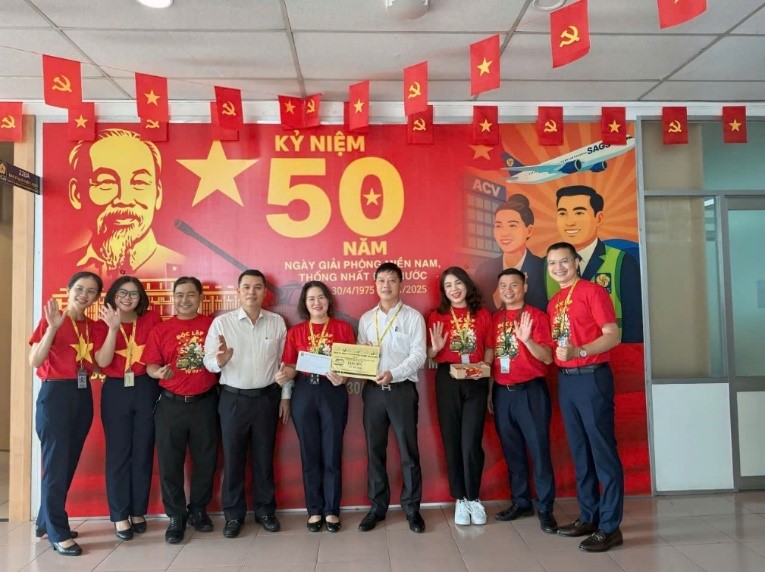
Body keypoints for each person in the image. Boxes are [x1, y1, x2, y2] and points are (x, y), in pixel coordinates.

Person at [546, 242, 624, 552]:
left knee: (603, 452)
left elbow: (612, 335)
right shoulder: (554, 302)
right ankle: (589, 517)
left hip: (592, 378)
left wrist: (580, 351)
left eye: (564, 261)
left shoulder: (593, 292)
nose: (558, 267)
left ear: (576, 262)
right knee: (580, 452)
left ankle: (610, 527)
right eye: (552, 263)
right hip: (567, 382)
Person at [203, 269, 290, 537]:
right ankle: (233, 515)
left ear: (265, 292)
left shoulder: (276, 322)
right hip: (233, 399)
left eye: (258, 287)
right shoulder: (222, 324)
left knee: (264, 458)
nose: (252, 292)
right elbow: (208, 361)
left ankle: (265, 511)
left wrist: (285, 395)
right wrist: (220, 361)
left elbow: (284, 364)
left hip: (266, 398)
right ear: (238, 291)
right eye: (247, 287)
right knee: (233, 459)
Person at [29, 271, 103, 556]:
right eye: (80, 289)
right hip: (56, 394)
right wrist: (51, 329)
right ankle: (58, 532)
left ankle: (44, 522)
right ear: (69, 289)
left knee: (67, 462)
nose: (84, 295)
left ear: (96, 298)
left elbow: (98, 364)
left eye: (91, 291)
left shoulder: (91, 327)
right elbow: (34, 360)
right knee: (56, 464)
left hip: (82, 395)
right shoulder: (54, 320)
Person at [143, 276, 218, 544]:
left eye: (190, 295)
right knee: (169, 463)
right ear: (173, 298)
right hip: (171, 404)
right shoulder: (161, 330)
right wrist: (158, 373)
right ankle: (176, 516)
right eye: (179, 295)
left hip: (205, 403)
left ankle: (198, 510)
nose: (184, 300)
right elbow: (151, 365)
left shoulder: (212, 326)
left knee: (206, 460)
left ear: (200, 298)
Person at [357, 262, 427, 534]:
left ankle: (412, 508)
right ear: (375, 284)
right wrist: (364, 354)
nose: (386, 285)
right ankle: (377, 507)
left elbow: (419, 355)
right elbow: (360, 355)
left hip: (401, 391)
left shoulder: (412, 317)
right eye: (381, 281)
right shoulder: (366, 319)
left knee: (409, 451)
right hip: (373, 393)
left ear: (400, 284)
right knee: (374, 451)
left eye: (391, 280)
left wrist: (393, 373)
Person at [280, 281, 355, 533]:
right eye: (311, 299)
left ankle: (331, 510)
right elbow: (290, 366)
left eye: (321, 297)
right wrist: (284, 376)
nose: (317, 303)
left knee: (332, 452)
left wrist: (344, 377)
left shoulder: (342, 328)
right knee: (309, 453)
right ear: (305, 303)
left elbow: (351, 364)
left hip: (333, 391)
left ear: (328, 300)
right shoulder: (296, 332)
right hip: (304, 392)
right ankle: (314, 510)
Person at [93, 276, 162, 540]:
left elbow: (158, 353)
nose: (127, 298)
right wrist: (113, 329)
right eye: (122, 293)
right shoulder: (102, 323)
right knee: (119, 453)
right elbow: (102, 361)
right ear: (113, 295)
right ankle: (120, 515)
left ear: (141, 298)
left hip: (146, 387)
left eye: (133, 294)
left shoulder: (151, 319)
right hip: (116, 389)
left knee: (143, 450)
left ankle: (137, 510)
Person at [490, 268, 557, 534]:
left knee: (539, 451)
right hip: (502, 393)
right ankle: (521, 502)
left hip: (531, 393)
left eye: (514, 285)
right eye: (503, 286)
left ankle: (546, 508)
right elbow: (492, 359)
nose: (508, 290)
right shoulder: (495, 319)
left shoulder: (537, 317)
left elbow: (548, 358)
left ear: (524, 287)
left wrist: (527, 340)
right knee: (512, 451)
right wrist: (490, 393)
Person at [66, 128, 185, 278]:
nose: (124, 199)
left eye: (139, 182)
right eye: (106, 182)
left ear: (158, 193)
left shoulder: (183, 265)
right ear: (76, 193)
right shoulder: (63, 265)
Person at [426, 267, 493, 526]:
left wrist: (485, 369)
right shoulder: (437, 316)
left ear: (467, 284)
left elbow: (489, 348)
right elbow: (429, 355)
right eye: (448, 286)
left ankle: (474, 496)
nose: (454, 289)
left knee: (471, 441)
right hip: (448, 379)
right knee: (452, 440)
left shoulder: (482, 314)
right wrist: (436, 349)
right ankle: (460, 499)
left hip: (476, 377)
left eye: (458, 283)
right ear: (443, 291)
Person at [549, 185, 643, 343]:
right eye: (563, 213)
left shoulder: (621, 261)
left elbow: (635, 321)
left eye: (579, 213)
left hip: (614, 353)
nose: (570, 222)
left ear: (598, 218)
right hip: (567, 354)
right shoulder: (547, 269)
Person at [474, 194, 547, 312]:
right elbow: (478, 312)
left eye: (512, 225)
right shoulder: (483, 270)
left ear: (529, 230)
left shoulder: (543, 268)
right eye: (499, 226)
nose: (504, 233)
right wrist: (496, 299)